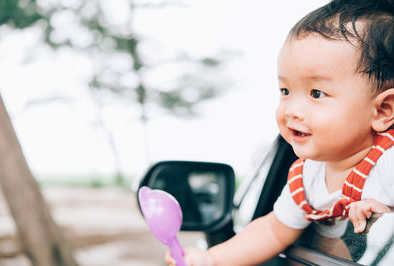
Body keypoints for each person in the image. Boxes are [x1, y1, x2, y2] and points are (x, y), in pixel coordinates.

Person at [166, 0, 394, 265]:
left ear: (382, 111)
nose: (291, 110)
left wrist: (386, 212)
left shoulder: (386, 163)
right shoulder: (308, 176)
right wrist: (210, 259)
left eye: (316, 93)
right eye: (285, 91)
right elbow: (274, 230)